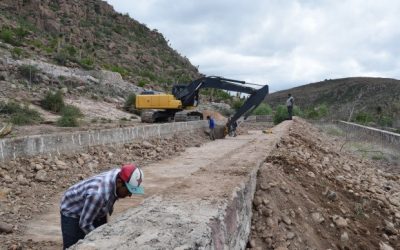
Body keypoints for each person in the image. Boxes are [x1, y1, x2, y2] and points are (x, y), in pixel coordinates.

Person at [60, 164, 144, 249]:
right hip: (72, 210)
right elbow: (85, 224)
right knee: (73, 246)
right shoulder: (98, 194)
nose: (130, 195)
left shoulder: (119, 175)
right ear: (119, 182)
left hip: (95, 207)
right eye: (129, 190)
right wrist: (99, 241)